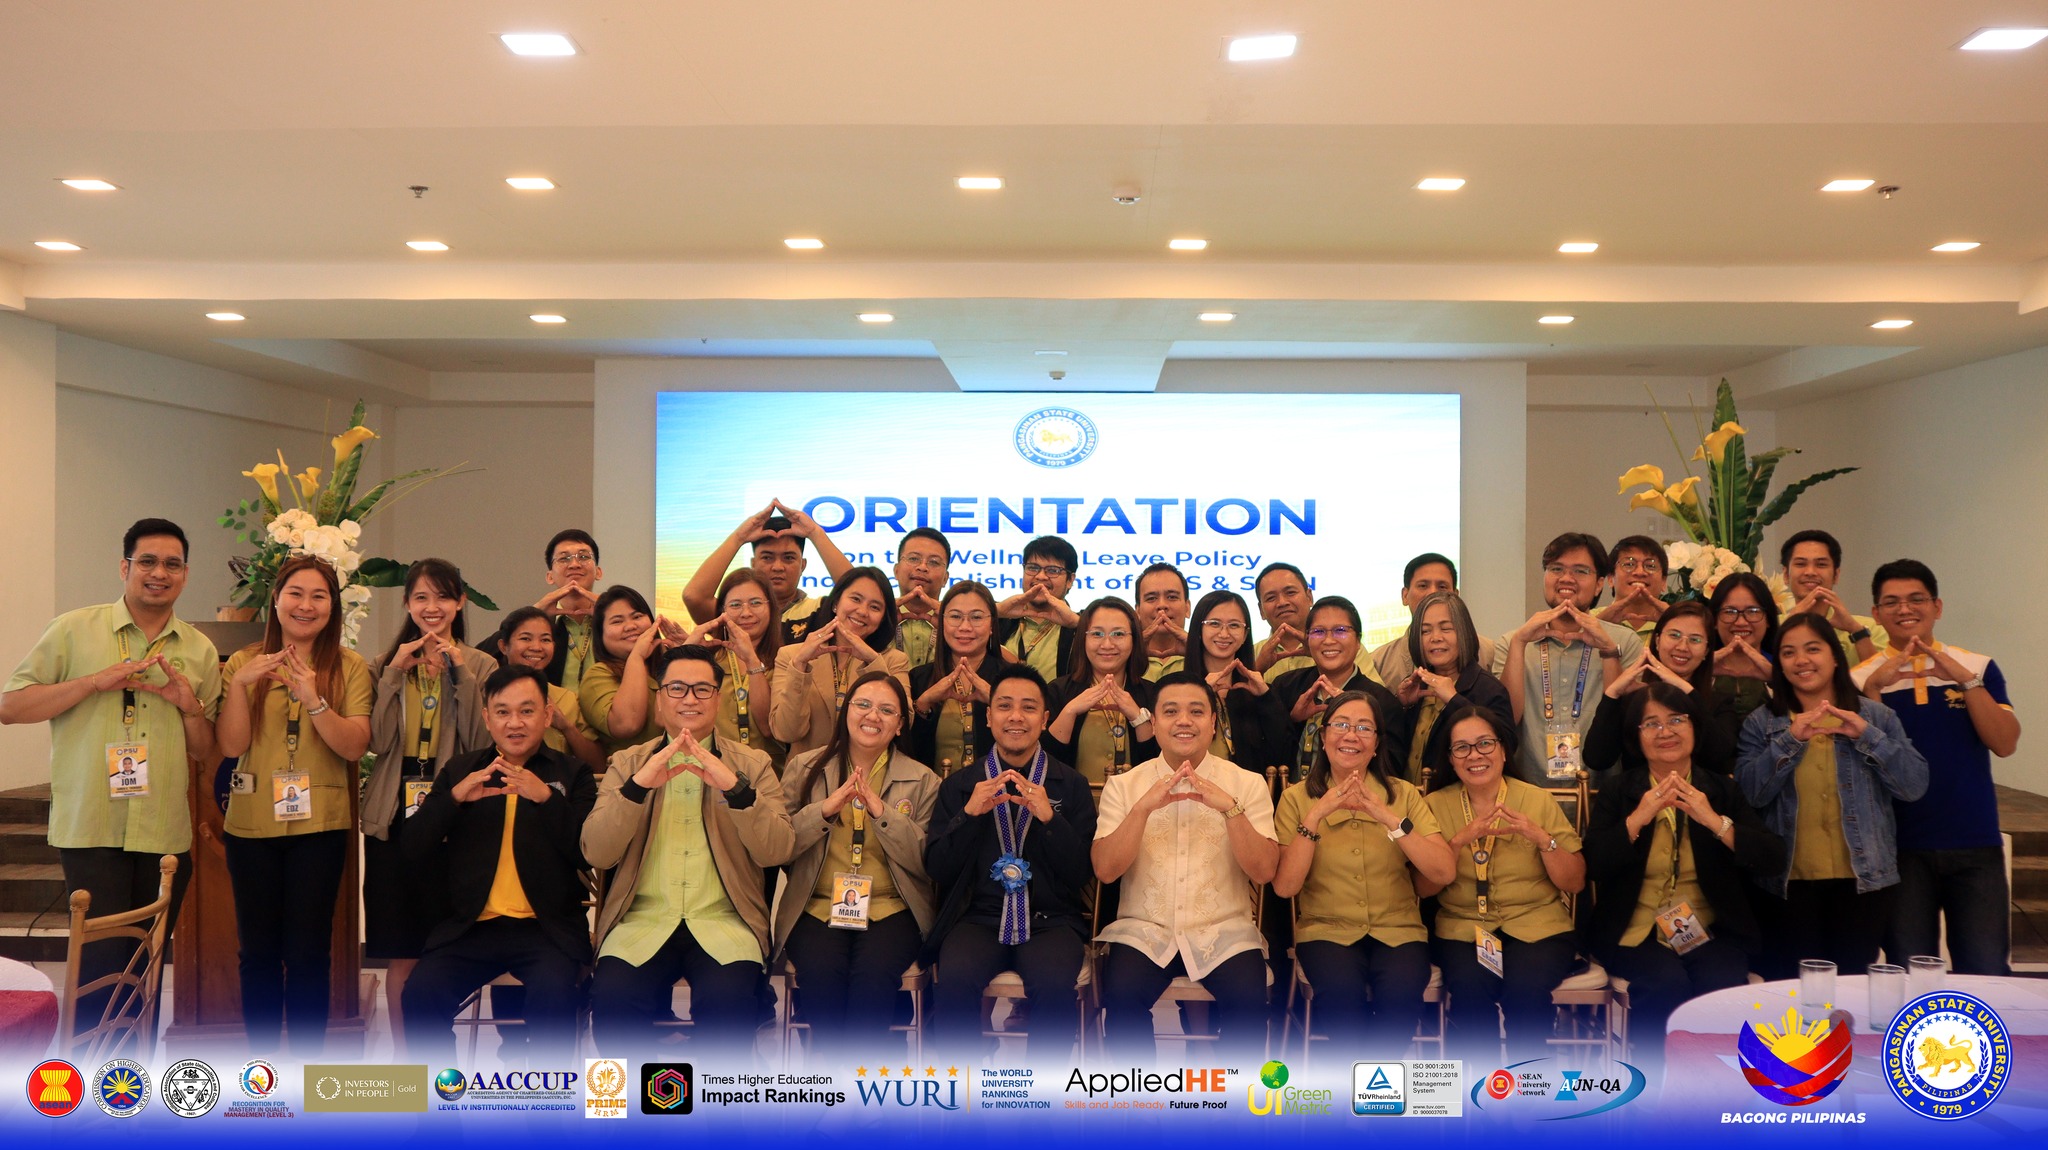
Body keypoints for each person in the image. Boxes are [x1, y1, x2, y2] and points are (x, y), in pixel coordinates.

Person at [2, 518, 220, 1032]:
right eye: (147, 561)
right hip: (92, 827)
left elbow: (205, 750)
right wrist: (95, 682)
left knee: (145, 972)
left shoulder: (199, 649)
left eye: (172, 564)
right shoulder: (73, 629)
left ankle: (133, 1078)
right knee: (99, 972)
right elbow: (11, 707)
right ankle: (88, 1077)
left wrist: (189, 707)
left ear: (185, 574)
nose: (159, 573)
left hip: (163, 833)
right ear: (125, 567)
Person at [584, 645, 795, 1053]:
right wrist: (637, 788)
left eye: (702, 689)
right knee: (613, 1002)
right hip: (640, 923)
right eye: (677, 688)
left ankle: (716, 1097)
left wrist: (735, 789)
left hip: (725, 924)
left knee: (728, 1007)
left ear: (718, 698)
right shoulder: (628, 763)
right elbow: (597, 852)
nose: (689, 699)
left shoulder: (753, 764)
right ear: (659, 697)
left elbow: (778, 851)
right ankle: (627, 1098)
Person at [213, 555, 372, 1056]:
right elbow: (231, 744)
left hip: (320, 828)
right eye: (296, 594)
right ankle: (261, 1073)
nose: (306, 605)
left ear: (333, 606)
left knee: (308, 953)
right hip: (250, 826)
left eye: (319, 596)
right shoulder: (243, 663)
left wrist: (315, 698)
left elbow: (354, 746)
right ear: (276, 601)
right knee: (257, 952)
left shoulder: (349, 666)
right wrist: (242, 686)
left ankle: (306, 1069)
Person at [399, 666, 598, 1065]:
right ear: (487, 718)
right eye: (503, 712)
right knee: (420, 994)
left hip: (546, 930)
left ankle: (550, 1100)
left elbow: (589, 853)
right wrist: (453, 800)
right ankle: (442, 1101)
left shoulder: (572, 773)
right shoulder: (461, 770)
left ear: (547, 714)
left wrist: (546, 799)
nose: (515, 723)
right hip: (471, 928)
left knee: (556, 997)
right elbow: (412, 847)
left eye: (527, 711)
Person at [1583, 684, 1784, 1066]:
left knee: (1721, 985)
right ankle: (1653, 1081)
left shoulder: (1721, 789)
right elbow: (1593, 863)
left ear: (1695, 727)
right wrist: (1638, 817)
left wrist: (1713, 820)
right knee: (1664, 983)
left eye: (1676, 720)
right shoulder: (1619, 790)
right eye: (1651, 723)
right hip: (1634, 931)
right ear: (1636, 737)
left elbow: (1772, 857)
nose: (1665, 732)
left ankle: (1716, 1082)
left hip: (1712, 931)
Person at [1093, 673, 1279, 1061]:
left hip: (1224, 932)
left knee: (1249, 1003)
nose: (1183, 721)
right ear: (1154, 722)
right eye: (1171, 711)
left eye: (1196, 711)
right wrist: (1142, 809)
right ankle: (1141, 1095)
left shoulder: (1246, 784)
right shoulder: (1124, 785)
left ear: (1213, 722)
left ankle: (1229, 1096)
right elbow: (1106, 871)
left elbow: (1264, 872)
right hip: (1144, 931)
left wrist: (1231, 809)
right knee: (1121, 997)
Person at [1737, 614, 1928, 979]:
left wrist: (1867, 736)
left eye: (1813, 649)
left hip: (1864, 881)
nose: (1801, 660)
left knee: (1850, 990)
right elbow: (1751, 795)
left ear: (1836, 657)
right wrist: (1790, 740)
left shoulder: (1876, 717)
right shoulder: (1762, 722)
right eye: (1788, 652)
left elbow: (1913, 786)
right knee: (1791, 991)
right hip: (1787, 883)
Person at [924, 664, 1098, 1061]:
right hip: (977, 918)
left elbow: (1080, 873)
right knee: (954, 978)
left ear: (1045, 719)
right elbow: (938, 869)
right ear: (989, 717)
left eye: (1028, 708)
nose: (1016, 717)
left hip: (1050, 920)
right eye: (1004, 706)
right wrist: (969, 815)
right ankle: (966, 1087)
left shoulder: (1070, 784)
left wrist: (1050, 820)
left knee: (1054, 985)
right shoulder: (960, 786)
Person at [1856, 560, 2020, 975]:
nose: (1904, 609)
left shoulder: (1976, 666)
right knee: (1911, 972)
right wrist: (1874, 689)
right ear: (1876, 613)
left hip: (1974, 840)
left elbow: (2005, 743)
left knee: (1986, 971)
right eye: (1891, 602)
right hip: (1899, 847)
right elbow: (1863, 761)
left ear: (1937, 606)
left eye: (1916, 599)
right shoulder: (1859, 679)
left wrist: (1966, 682)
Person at [361, 559, 499, 1047]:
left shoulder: (481, 665)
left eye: (443, 596)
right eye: (421, 597)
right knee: (402, 950)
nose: (432, 607)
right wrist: (394, 675)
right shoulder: (384, 664)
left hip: (454, 819)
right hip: (393, 819)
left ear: (460, 602)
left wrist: (459, 672)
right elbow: (376, 741)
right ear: (407, 604)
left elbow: (481, 742)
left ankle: (441, 1049)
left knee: (446, 949)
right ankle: (408, 1060)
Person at [1273, 691, 1455, 1049]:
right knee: (1341, 1007)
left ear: (1376, 744)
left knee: (1400, 1003)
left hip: (1399, 932)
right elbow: (1285, 887)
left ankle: (1373, 1082)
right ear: (1323, 737)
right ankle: (1363, 1080)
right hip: (1326, 932)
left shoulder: (1404, 794)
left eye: (1363, 728)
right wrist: (1315, 816)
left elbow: (1443, 872)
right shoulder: (1296, 798)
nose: (1351, 735)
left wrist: (1387, 816)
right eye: (1341, 725)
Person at [777, 672, 940, 1059]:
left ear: (900, 725)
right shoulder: (804, 768)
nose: (873, 715)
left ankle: (852, 1081)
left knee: (872, 979)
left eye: (887, 710)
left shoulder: (923, 780)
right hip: (817, 905)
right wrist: (824, 810)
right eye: (863, 704)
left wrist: (883, 815)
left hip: (892, 907)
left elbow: (926, 863)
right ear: (845, 712)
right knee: (822, 976)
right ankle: (841, 1080)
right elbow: (779, 846)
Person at [1421, 706, 1586, 1062]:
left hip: (1538, 926)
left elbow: (1574, 881)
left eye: (1485, 743)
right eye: (1462, 748)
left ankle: (1530, 1086)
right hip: (1464, 928)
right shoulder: (1434, 805)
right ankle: (1482, 1087)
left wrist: (1542, 839)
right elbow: (1422, 888)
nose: (1475, 755)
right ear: (1450, 759)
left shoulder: (1536, 799)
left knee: (1525, 991)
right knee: (1470, 990)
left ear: (1503, 750)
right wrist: (1456, 843)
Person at [1495, 533, 1643, 782]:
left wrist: (1608, 650)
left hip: (1600, 790)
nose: (1566, 578)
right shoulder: (1513, 642)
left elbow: (1626, 722)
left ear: (1599, 584)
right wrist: (1519, 644)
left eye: (1580, 571)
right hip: (1530, 794)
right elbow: (1506, 721)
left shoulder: (1624, 641)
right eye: (1556, 569)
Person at [1584, 601, 1739, 775]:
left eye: (1695, 640)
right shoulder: (1635, 699)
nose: (1682, 647)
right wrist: (1613, 693)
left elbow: (1719, 755)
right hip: (1641, 792)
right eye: (1674, 635)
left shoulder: (1721, 703)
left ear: (1706, 651)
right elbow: (1597, 759)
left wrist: (1684, 688)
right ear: (1657, 641)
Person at [771, 567, 912, 758]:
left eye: (875, 607)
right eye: (855, 599)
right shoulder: (792, 656)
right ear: (836, 603)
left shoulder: (893, 661)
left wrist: (873, 662)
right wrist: (800, 666)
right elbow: (786, 732)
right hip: (807, 772)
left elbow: (904, 724)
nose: (862, 611)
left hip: (868, 771)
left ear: (883, 618)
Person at [1268, 596, 1407, 783]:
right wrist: (1292, 720)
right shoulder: (1285, 686)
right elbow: (1267, 755)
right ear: (1307, 639)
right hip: (1288, 798)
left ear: (1358, 640)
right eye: (1318, 631)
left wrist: (1352, 713)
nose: (1328, 640)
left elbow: (1391, 772)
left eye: (1340, 631)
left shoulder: (1382, 702)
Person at [1390, 591, 1511, 786]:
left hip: (1459, 798)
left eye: (1446, 629)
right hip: (1411, 798)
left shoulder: (1489, 689)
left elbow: (1507, 747)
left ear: (1463, 632)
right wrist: (1401, 706)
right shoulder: (1416, 685)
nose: (1435, 638)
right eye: (1425, 631)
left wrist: (1455, 700)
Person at [681, 501, 853, 636]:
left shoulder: (820, 612)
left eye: (788, 558)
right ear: (753, 564)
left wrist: (816, 533)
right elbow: (694, 597)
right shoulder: (736, 615)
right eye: (767, 557)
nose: (777, 567)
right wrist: (738, 538)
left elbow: (858, 593)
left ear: (803, 565)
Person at [1044, 598, 1159, 786]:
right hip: (1075, 801)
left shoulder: (1152, 694)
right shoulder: (1059, 691)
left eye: (1118, 634)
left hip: (1140, 799)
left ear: (1134, 640)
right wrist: (1070, 711)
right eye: (1097, 634)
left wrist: (1138, 718)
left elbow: (1159, 761)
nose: (1107, 644)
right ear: (1083, 639)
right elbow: (1046, 761)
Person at [688, 569, 789, 772]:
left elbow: (768, 728)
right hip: (710, 769)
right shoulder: (708, 661)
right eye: (735, 605)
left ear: (771, 608)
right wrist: (687, 652)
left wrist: (752, 661)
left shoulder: (786, 661)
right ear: (722, 611)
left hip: (767, 773)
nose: (746, 613)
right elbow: (668, 716)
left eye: (756, 603)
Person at [482, 530, 603, 694]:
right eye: (564, 558)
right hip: (550, 708)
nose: (574, 564)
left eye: (583, 557)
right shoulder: (542, 623)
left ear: (598, 572)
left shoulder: (612, 621)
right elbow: (481, 656)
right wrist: (535, 611)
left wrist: (609, 612)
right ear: (549, 576)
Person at [493, 607, 606, 770]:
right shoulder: (487, 694)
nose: (536, 647)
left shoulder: (566, 698)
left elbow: (598, 765)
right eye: (525, 638)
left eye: (545, 640)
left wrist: (566, 726)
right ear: (503, 646)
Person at [908, 581, 1001, 775]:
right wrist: (923, 704)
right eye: (955, 617)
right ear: (942, 623)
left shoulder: (1013, 678)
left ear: (992, 625)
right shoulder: (918, 678)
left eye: (976, 617)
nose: (965, 627)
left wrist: (999, 701)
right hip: (931, 789)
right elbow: (905, 749)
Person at [580, 585, 681, 757]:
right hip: (632, 771)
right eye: (617, 621)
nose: (630, 626)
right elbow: (627, 724)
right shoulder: (598, 675)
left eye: (637, 616)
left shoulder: (668, 665)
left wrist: (685, 655)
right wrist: (637, 657)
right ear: (600, 634)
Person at [1183, 590, 1273, 772]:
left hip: (1247, 788)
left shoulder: (1258, 691)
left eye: (1234, 625)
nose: (1224, 634)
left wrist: (1266, 697)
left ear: (1245, 634)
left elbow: (1281, 753)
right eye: (1214, 624)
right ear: (1199, 630)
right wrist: (1201, 694)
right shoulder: (1176, 688)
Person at [1371, 554, 1496, 685]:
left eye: (1442, 587)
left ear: (1456, 596)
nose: (1432, 593)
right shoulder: (1379, 662)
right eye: (1423, 586)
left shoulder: (1488, 653)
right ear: (1405, 595)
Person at [1781, 529, 1886, 663]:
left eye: (1821, 564)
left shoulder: (1871, 629)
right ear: (1786, 575)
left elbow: (1883, 675)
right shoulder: (1769, 627)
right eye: (1801, 564)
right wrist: (1789, 625)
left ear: (1836, 575)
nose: (1810, 572)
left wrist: (1856, 631)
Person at [996, 536, 1081, 681]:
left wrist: (1076, 623)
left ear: (1070, 580)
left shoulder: (1080, 627)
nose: (1041, 576)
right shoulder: (1000, 620)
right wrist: (997, 611)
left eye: (1053, 570)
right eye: (1033, 568)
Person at [1707, 572, 1780, 730]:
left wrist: (1778, 679)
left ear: (1768, 619)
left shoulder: (1785, 667)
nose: (1741, 622)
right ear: (1714, 621)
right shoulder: (1699, 668)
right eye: (1729, 612)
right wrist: (1699, 671)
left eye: (1752, 611)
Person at [891, 527, 951, 669]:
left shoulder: (956, 625)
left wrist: (951, 627)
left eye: (934, 562)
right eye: (913, 559)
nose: (922, 567)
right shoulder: (878, 619)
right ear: (896, 571)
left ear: (945, 578)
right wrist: (883, 627)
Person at [1599, 535, 1670, 635]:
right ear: (1610, 578)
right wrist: (1599, 624)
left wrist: (1672, 620)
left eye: (1650, 566)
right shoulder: (1589, 618)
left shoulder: (1678, 624)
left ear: (1664, 582)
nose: (1640, 572)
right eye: (1629, 564)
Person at [1134, 563, 1191, 679]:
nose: (1162, 605)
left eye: (1172, 597)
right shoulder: (1121, 657)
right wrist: (1133, 653)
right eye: (1151, 598)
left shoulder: (1206, 654)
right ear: (1137, 612)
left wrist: (1197, 650)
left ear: (1187, 608)